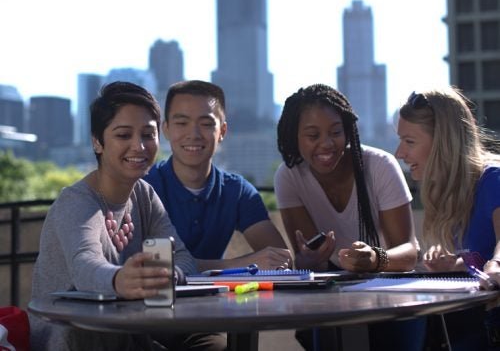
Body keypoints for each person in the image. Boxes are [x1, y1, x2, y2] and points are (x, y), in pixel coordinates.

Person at [29, 81, 226, 351]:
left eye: (148, 134)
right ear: (98, 142)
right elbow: (85, 265)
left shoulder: (144, 195)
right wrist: (119, 280)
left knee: (212, 342)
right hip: (78, 340)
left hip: (134, 332)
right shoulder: (75, 202)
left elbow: (182, 257)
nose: (139, 146)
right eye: (123, 135)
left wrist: (170, 275)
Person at [274, 83, 422, 351]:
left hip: (389, 287)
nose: (327, 143)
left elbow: (410, 253)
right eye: (312, 135)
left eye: (335, 132)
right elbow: (309, 260)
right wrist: (308, 261)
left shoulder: (380, 165)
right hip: (333, 293)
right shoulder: (289, 177)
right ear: (294, 136)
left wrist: (376, 259)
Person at [145, 80, 291, 271]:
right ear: (165, 129)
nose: (194, 134)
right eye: (181, 123)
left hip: (217, 299)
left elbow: (281, 260)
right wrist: (238, 265)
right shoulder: (144, 188)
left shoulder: (237, 191)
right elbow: (152, 265)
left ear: (222, 131)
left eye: (206, 124)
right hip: (158, 300)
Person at [396, 87, 500, 350]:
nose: (400, 153)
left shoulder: (493, 179)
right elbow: (478, 259)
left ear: (442, 142)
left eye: (409, 142)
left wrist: (496, 267)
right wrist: (454, 264)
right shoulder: (442, 192)